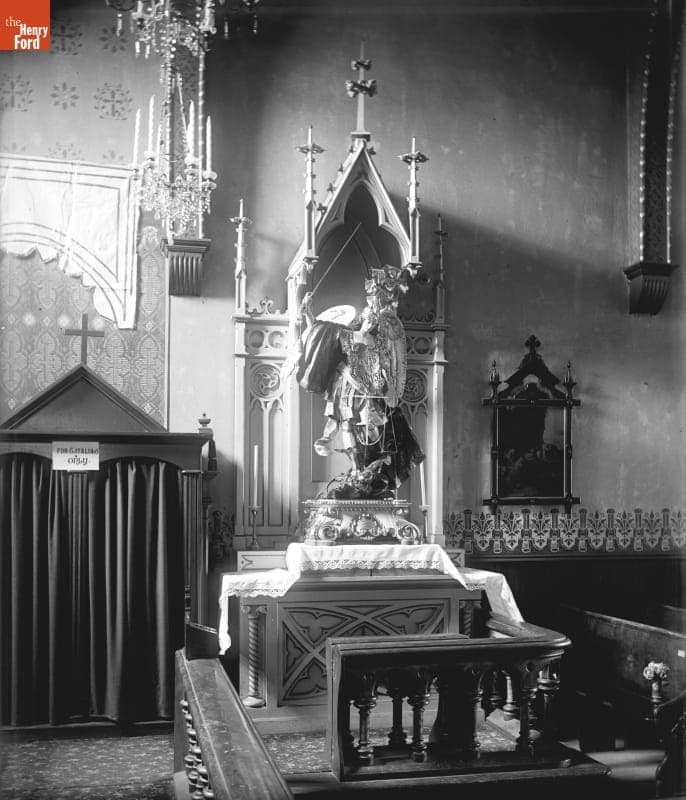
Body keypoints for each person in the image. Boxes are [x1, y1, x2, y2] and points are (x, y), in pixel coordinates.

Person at [294, 266, 424, 499]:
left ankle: (369, 473)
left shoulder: (385, 320)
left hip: (367, 383)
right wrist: (309, 316)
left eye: (377, 293)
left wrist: (344, 334)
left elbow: (372, 345)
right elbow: (332, 339)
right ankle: (356, 471)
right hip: (346, 378)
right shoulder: (362, 316)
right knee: (346, 422)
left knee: (369, 426)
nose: (372, 297)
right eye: (371, 293)